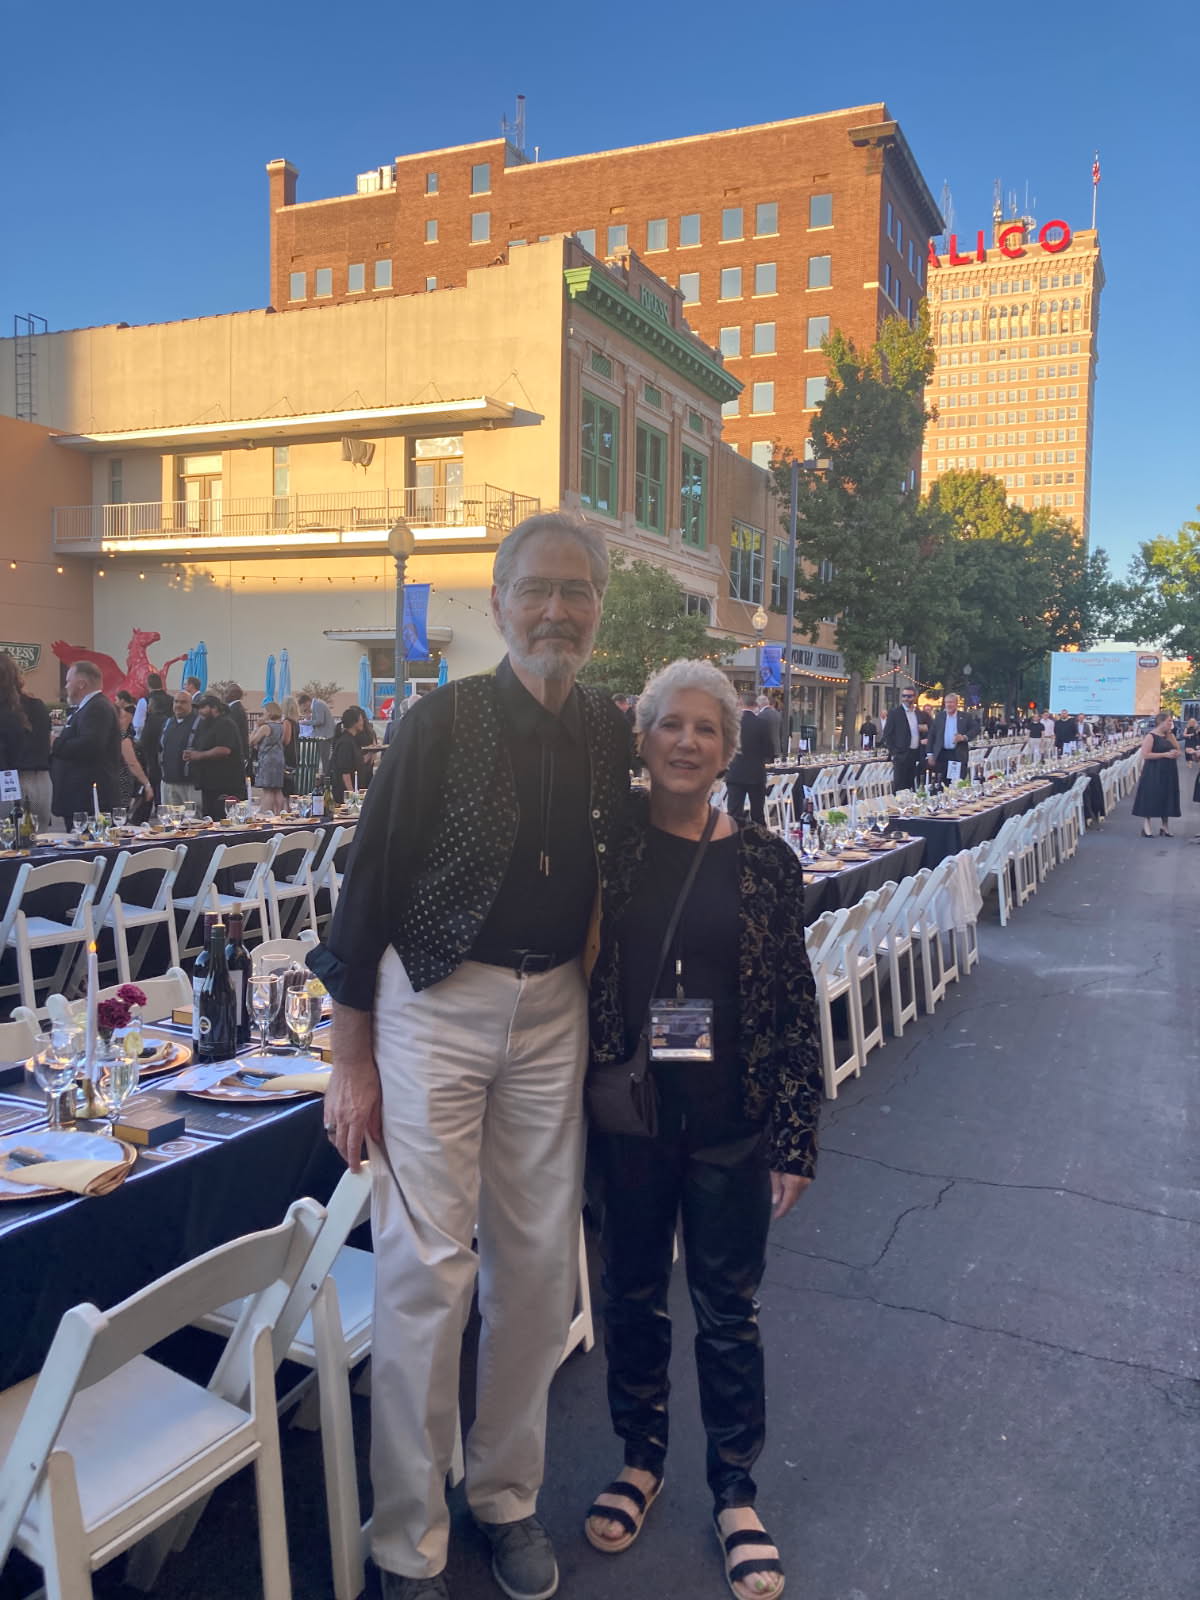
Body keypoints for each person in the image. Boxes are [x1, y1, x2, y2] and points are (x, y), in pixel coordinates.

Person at [307, 512, 632, 1600]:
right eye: (536, 590)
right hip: (433, 1000)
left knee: (537, 1276)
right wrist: (351, 1058)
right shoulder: (438, 722)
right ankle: (408, 1539)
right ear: (497, 606)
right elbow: (367, 891)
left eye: (576, 592)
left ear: (598, 610)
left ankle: (503, 1494)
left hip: (554, 1008)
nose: (556, 610)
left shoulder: (605, 729)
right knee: (425, 1278)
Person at [584, 659, 820, 1600]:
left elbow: (796, 1006)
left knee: (730, 1312)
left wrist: (797, 1135)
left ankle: (734, 1488)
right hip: (629, 1121)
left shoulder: (764, 859)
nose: (686, 742)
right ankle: (641, 1458)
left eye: (706, 730)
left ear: (730, 749)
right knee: (633, 1297)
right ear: (641, 740)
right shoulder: (607, 847)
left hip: (732, 1119)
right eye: (669, 725)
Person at [49, 661, 123, 827]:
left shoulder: (97, 708)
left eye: (69, 681)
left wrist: (56, 744)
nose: (66, 686)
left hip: (89, 800)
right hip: (80, 799)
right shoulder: (87, 708)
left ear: (82, 684)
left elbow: (90, 746)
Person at [0, 655, 52, 830]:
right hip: (40, 783)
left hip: (7, 781)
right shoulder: (37, 706)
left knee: (7, 846)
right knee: (39, 845)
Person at [182, 693, 246, 819]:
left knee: (223, 819)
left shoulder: (225, 724)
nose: (200, 711)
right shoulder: (205, 725)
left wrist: (199, 755)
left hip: (226, 784)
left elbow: (224, 749)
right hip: (209, 784)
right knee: (209, 818)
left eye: (203, 707)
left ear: (214, 708)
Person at [725, 691, 774, 825]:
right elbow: (769, 751)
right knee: (758, 814)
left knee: (734, 813)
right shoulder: (762, 724)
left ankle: (734, 842)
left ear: (740, 702)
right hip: (756, 774)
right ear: (756, 704)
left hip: (735, 773)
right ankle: (759, 842)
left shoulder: (732, 724)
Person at [1131, 711, 1181, 838]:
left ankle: (1165, 826)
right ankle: (1146, 825)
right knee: (1151, 795)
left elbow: (1178, 750)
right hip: (1154, 770)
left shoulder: (1170, 735)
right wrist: (1164, 755)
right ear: (1161, 722)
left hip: (1169, 770)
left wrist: (1175, 753)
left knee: (1167, 796)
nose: (1171, 723)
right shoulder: (1151, 736)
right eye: (1169, 721)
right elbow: (1145, 754)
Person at [881, 687, 930, 792]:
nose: (906, 699)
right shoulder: (895, 713)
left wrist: (925, 731)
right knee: (900, 786)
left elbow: (932, 727)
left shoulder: (918, 713)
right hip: (901, 755)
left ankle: (910, 806)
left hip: (915, 754)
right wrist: (895, 752)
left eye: (909, 696)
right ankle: (899, 807)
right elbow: (887, 735)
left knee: (911, 785)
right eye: (904, 696)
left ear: (915, 697)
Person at [114, 702, 156, 819]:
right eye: (122, 717)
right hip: (120, 787)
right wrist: (146, 784)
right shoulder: (122, 737)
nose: (126, 719)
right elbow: (132, 763)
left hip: (105, 785)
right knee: (119, 819)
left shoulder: (102, 735)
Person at [927, 692, 979, 785]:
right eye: (947, 702)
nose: (948, 705)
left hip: (957, 754)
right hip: (942, 754)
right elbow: (931, 735)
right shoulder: (940, 716)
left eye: (951, 702)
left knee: (956, 782)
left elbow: (976, 728)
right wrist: (930, 754)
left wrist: (964, 737)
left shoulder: (965, 716)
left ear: (956, 704)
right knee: (941, 782)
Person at [159, 691, 200, 808]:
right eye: (176, 701)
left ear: (190, 704)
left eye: (183, 702)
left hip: (190, 785)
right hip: (167, 782)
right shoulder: (168, 723)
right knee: (169, 820)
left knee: (192, 821)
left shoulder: (199, 723)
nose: (178, 705)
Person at [249, 701, 288, 813]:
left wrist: (256, 727)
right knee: (277, 789)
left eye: (264, 712)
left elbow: (252, 741)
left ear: (269, 712)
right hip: (279, 759)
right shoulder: (281, 727)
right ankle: (279, 812)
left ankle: (267, 813)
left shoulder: (266, 727)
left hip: (267, 760)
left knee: (268, 790)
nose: (263, 714)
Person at [329, 706, 369, 803]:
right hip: (344, 797)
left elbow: (356, 762)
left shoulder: (352, 740)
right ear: (354, 723)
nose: (362, 722)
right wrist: (352, 797)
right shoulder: (346, 743)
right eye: (360, 719)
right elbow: (345, 773)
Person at [297, 690, 337, 772]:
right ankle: (320, 776)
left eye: (304, 706)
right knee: (320, 758)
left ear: (306, 702)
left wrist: (305, 722)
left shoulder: (318, 705)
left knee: (324, 759)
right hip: (323, 735)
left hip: (325, 736)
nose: (305, 709)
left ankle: (326, 779)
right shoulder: (317, 704)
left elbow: (319, 721)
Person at [223, 682, 251, 773]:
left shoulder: (235, 710)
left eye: (226, 693)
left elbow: (230, 731)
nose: (224, 695)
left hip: (236, 752)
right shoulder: (235, 708)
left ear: (233, 695)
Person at [280, 693, 302, 793]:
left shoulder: (287, 722)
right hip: (295, 753)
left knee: (286, 784)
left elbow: (286, 740)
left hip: (287, 755)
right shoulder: (295, 722)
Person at [756, 693, 783, 761]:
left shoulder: (761, 715)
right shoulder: (777, 714)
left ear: (759, 704)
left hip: (766, 750)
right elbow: (780, 731)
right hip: (777, 748)